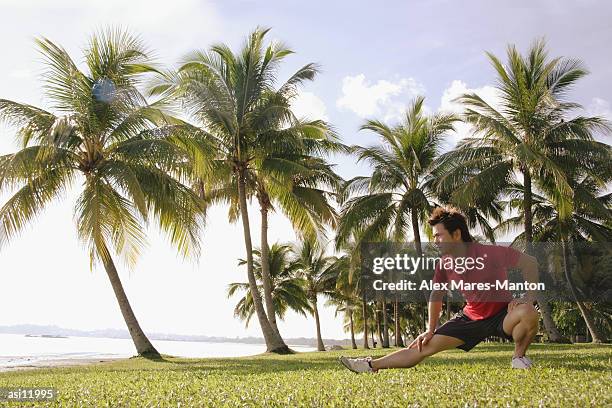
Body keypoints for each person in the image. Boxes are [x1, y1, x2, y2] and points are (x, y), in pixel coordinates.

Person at [340, 207, 540, 373]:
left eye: (438, 235)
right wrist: (430, 329)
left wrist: (528, 298)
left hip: (502, 316)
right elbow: (436, 295)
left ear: (456, 234)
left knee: (529, 313)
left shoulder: (490, 253)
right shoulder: (445, 263)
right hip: (469, 320)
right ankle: (369, 365)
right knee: (422, 347)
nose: (435, 241)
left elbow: (530, 263)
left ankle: (518, 358)